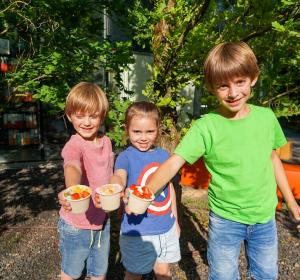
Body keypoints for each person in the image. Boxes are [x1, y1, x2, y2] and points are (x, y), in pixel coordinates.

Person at [144, 42, 300, 280]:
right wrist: (144, 193)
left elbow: (273, 159)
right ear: (211, 87)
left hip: (264, 218)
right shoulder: (207, 126)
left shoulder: (267, 118)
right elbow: (175, 162)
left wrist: (292, 203)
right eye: (223, 86)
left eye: (240, 82)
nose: (233, 93)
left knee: (267, 275)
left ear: (253, 78)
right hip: (225, 220)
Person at [96, 101, 181, 280]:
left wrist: (176, 221)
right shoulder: (126, 157)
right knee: (134, 274)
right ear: (127, 129)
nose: (143, 137)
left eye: (149, 131)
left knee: (164, 273)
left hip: (166, 228)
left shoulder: (165, 156)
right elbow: (119, 176)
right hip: (138, 231)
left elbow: (169, 188)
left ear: (158, 129)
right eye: (137, 132)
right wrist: (115, 188)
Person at [57, 82, 114, 280]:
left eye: (93, 116)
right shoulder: (75, 144)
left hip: (102, 222)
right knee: (70, 274)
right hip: (76, 225)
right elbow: (72, 166)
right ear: (70, 116)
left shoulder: (106, 142)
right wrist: (73, 190)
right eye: (80, 116)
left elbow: (110, 174)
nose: (87, 122)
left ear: (102, 115)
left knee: (99, 273)